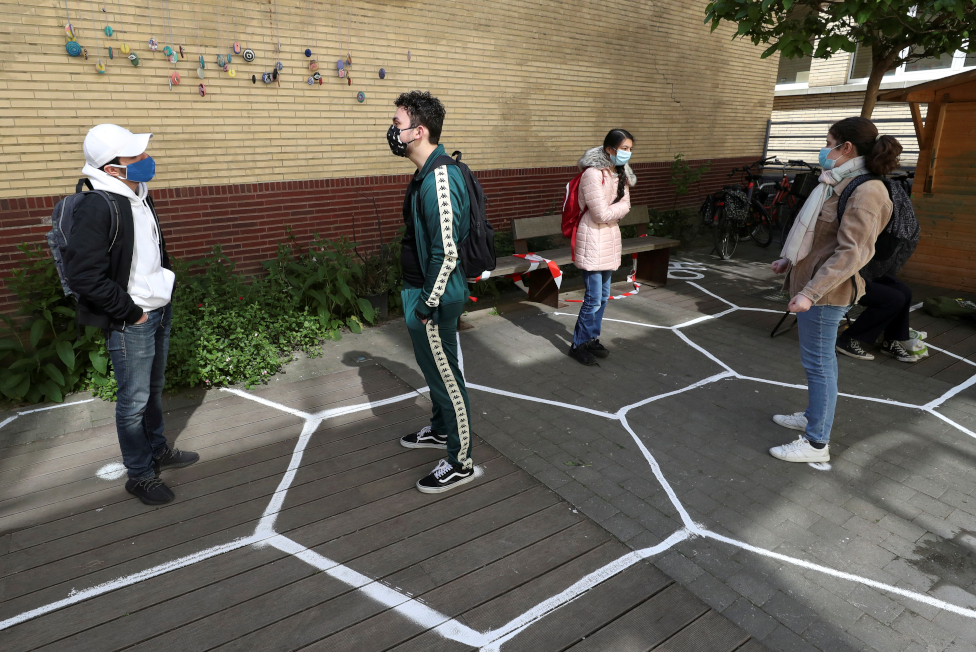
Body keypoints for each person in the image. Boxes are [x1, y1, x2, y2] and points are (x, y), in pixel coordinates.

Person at [66, 124, 198, 505]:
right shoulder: (98, 205)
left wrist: (163, 295)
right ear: (112, 169)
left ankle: (158, 449)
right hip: (132, 319)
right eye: (135, 157)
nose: (145, 161)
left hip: (158, 308)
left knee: (152, 390)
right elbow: (84, 275)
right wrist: (131, 312)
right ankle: (139, 473)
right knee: (134, 399)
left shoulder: (137, 194)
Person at [769, 117, 902, 463]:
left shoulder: (866, 190)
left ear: (845, 148)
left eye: (828, 142)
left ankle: (816, 443)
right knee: (817, 362)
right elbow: (819, 236)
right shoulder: (836, 181)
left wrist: (810, 293)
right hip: (814, 287)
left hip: (827, 294)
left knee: (819, 364)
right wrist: (789, 260)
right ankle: (814, 417)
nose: (823, 149)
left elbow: (852, 253)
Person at [391, 91, 477, 494]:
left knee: (448, 379)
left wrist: (426, 305)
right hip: (419, 292)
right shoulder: (424, 172)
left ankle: (460, 461)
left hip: (434, 298)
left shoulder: (440, 177)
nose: (392, 131)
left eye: (397, 124)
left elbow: (446, 253)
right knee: (434, 371)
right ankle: (442, 430)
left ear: (418, 131)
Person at [568, 129, 636, 366]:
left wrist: (614, 211)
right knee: (593, 298)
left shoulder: (620, 173)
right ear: (610, 149)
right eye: (624, 149)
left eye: (630, 149)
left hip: (609, 239)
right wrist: (616, 211)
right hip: (592, 240)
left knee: (604, 296)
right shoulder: (592, 174)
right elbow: (600, 214)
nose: (627, 153)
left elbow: (626, 205)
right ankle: (578, 344)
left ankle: (591, 338)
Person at [835, 274, 917, 362]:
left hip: (872, 276)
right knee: (895, 299)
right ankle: (847, 340)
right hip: (850, 278)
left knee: (905, 292)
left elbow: (888, 269)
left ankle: (889, 341)